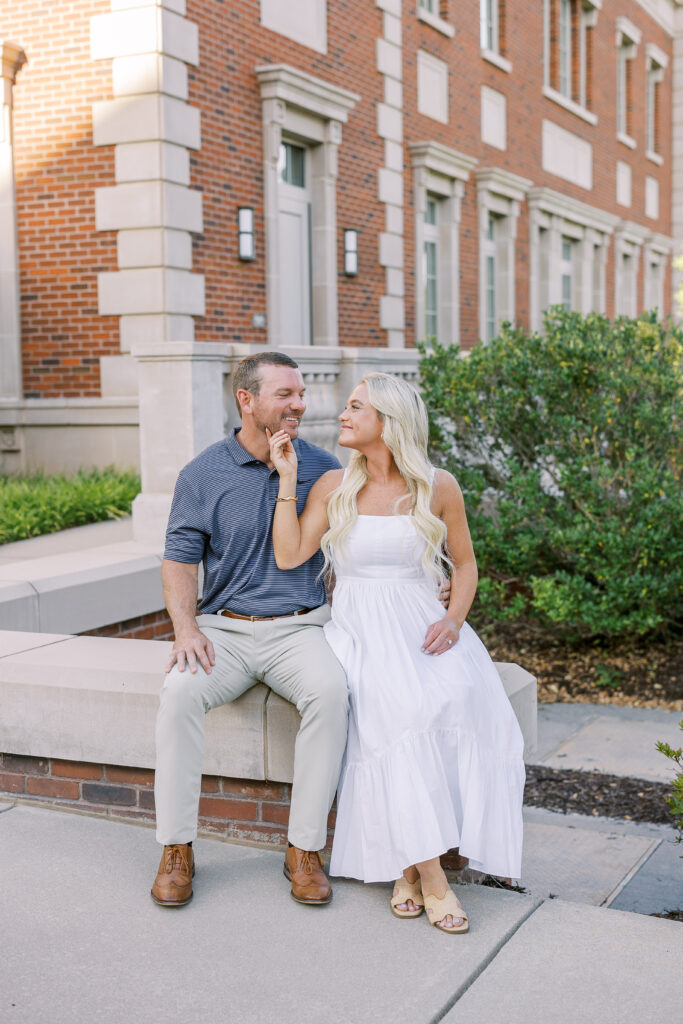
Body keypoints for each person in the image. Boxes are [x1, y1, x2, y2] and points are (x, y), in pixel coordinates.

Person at [267, 372, 525, 933]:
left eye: (356, 407)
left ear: (388, 421)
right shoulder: (334, 485)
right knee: (396, 716)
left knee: (460, 703)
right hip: (359, 629)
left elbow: (467, 564)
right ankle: (435, 882)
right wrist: (288, 479)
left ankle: (408, 872)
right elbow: (289, 555)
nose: (343, 414)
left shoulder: (438, 486)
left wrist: (455, 621)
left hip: (424, 624)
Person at [151, 351, 350, 908]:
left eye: (301, 394)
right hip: (226, 631)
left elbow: (359, 543)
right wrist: (185, 628)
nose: (299, 405)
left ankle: (304, 850)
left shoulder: (322, 466)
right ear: (246, 399)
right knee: (179, 695)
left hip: (300, 629)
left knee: (332, 693)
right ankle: (176, 848)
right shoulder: (203, 473)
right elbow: (178, 560)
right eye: (285, 395)